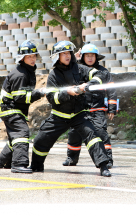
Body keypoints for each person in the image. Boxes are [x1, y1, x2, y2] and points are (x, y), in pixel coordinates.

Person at [31, 41, 112, 177]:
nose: (67, 56)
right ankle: (36, 166)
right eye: (63, 53)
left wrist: (88, 84)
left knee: (93, 136)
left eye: (68, 53)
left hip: (79, 115)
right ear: (57, 56)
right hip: (59, 116)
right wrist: (67, 93)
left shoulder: (79, 69)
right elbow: (52, 98)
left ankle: (104, 167)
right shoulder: (53, 75)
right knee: (41, 139)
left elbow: (99, 75)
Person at [62, 44, 117, 169]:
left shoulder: (103, 72)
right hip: (81, 109)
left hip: (97, 108)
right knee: (74, 133)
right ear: (83, 57)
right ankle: (72, 158)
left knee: (101, 133)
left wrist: (112, 108)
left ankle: (107, 159)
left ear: (96, 57)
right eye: (87, 56)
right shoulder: (77, 70)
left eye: (92, 55)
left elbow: (112, 90)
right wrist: (73, 59)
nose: (90, 58)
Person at [0, 40, 45, 174]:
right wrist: (38, 94)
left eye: (34, 56)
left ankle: (2, 161)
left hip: (14, 108)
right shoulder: (21, 74)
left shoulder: (27, 71)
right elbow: (20, 97)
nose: (33, 59)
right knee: (21, 133)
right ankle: (18, 164)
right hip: (9, 107)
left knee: (15, 137)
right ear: (22, 58)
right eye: (29, 56)